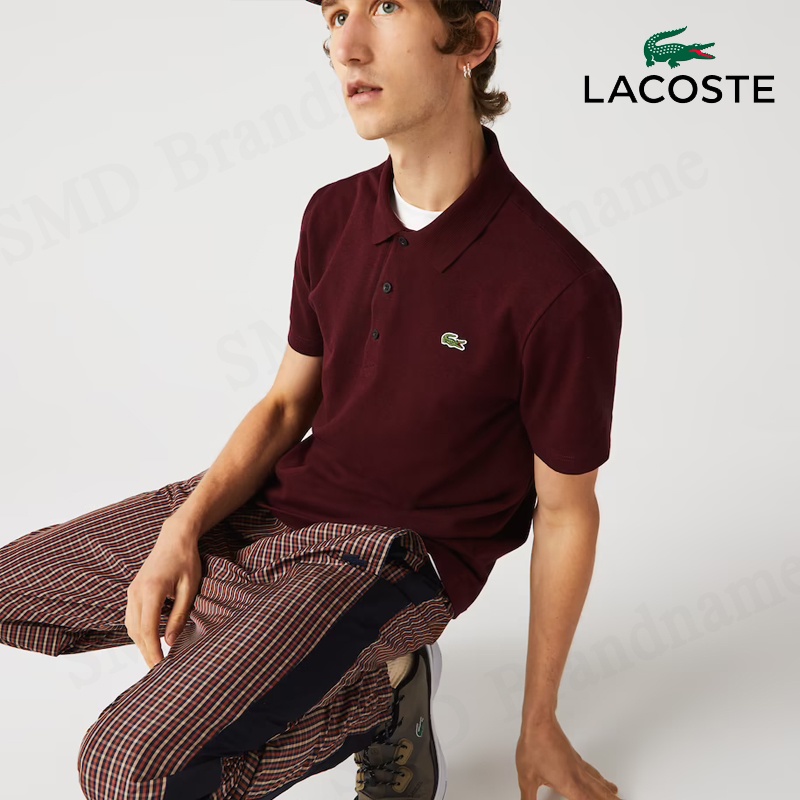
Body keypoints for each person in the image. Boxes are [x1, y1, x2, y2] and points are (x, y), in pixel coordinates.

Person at [0, 1, 624, 799]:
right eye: (336, 14)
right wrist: (183, 528)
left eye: (386, 6)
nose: (347, 47)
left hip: (388, 558)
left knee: (123, 768)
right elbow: (288, 406)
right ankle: (281, 642)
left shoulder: (560, 286)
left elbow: (566, 511)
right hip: (276, 508)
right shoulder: (333, 214)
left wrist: (538, 724)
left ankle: (383, 689)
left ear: (473, 38)